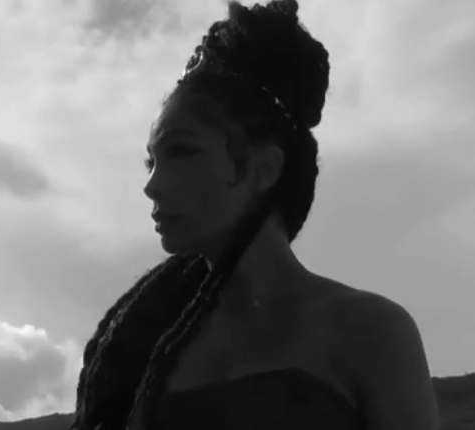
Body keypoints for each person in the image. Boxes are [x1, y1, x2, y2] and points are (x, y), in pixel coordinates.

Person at [70, 1, 440, 429]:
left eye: (181, 152)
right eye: (151, 162)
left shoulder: (368, 330)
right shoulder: (144, 346)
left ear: (263, 168)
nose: (152, 185)